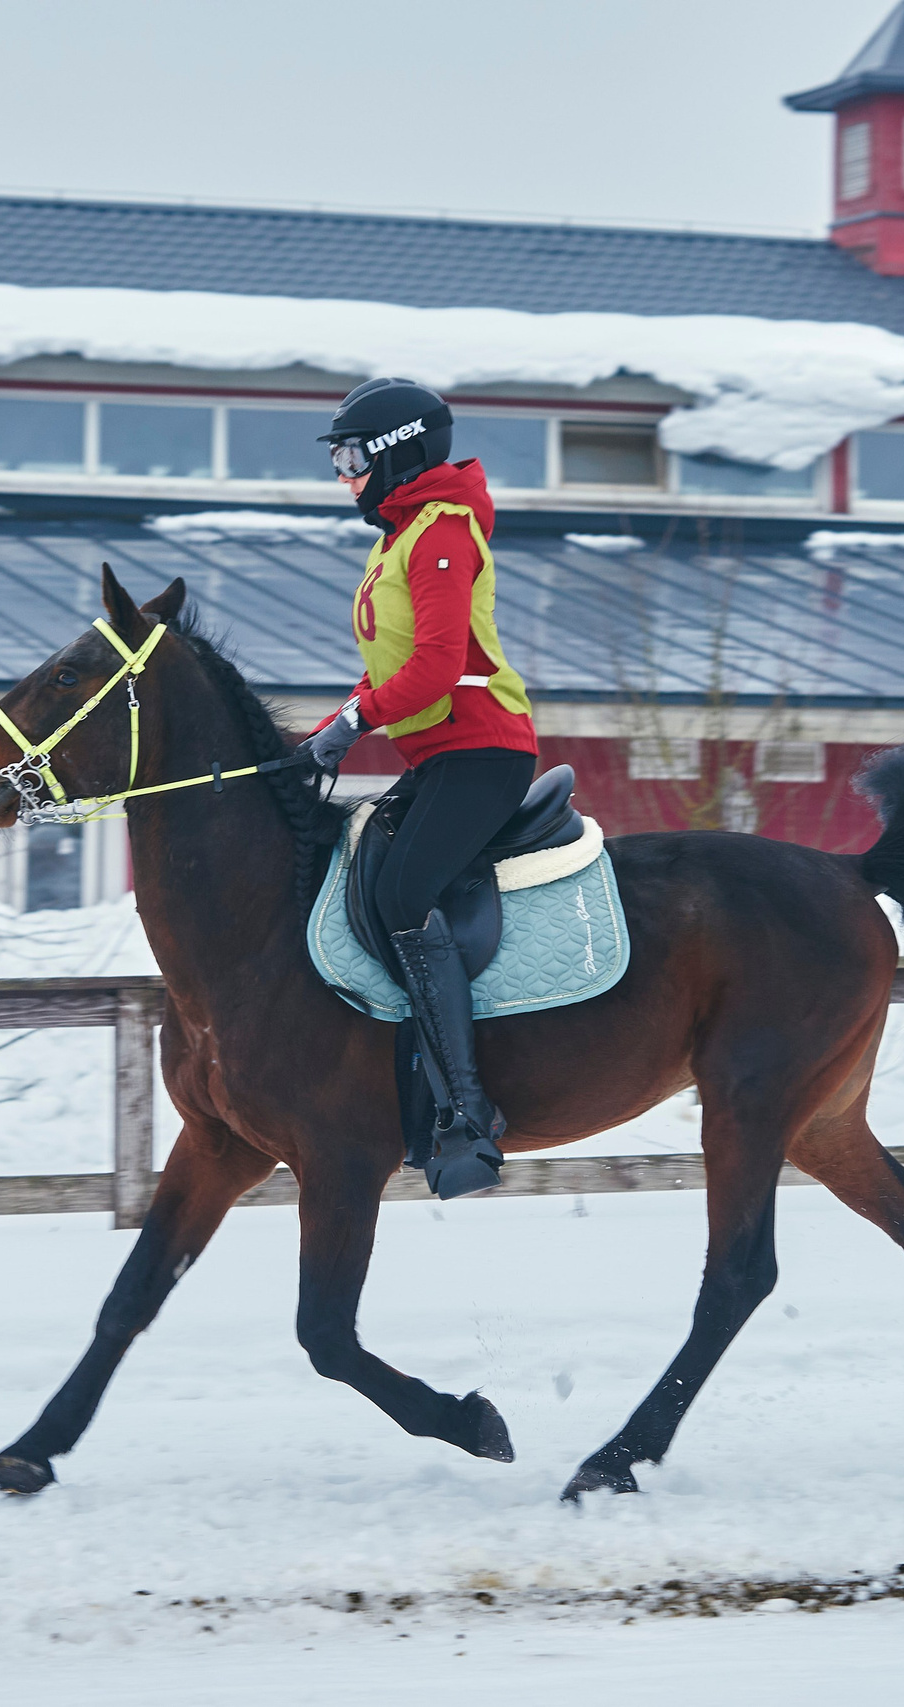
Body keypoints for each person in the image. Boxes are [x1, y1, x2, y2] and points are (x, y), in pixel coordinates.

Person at [296, 378, 538, 1199]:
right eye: (338, 459)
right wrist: (331, 727)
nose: (345, 476)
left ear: (397, 448)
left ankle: (466, 1110)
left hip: (483, 752)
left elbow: (434, 669)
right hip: (439, 757)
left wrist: (355, 719)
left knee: (403, 891)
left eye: (352, 456)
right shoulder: (399, 538)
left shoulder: (439, 533)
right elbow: (389, 668)